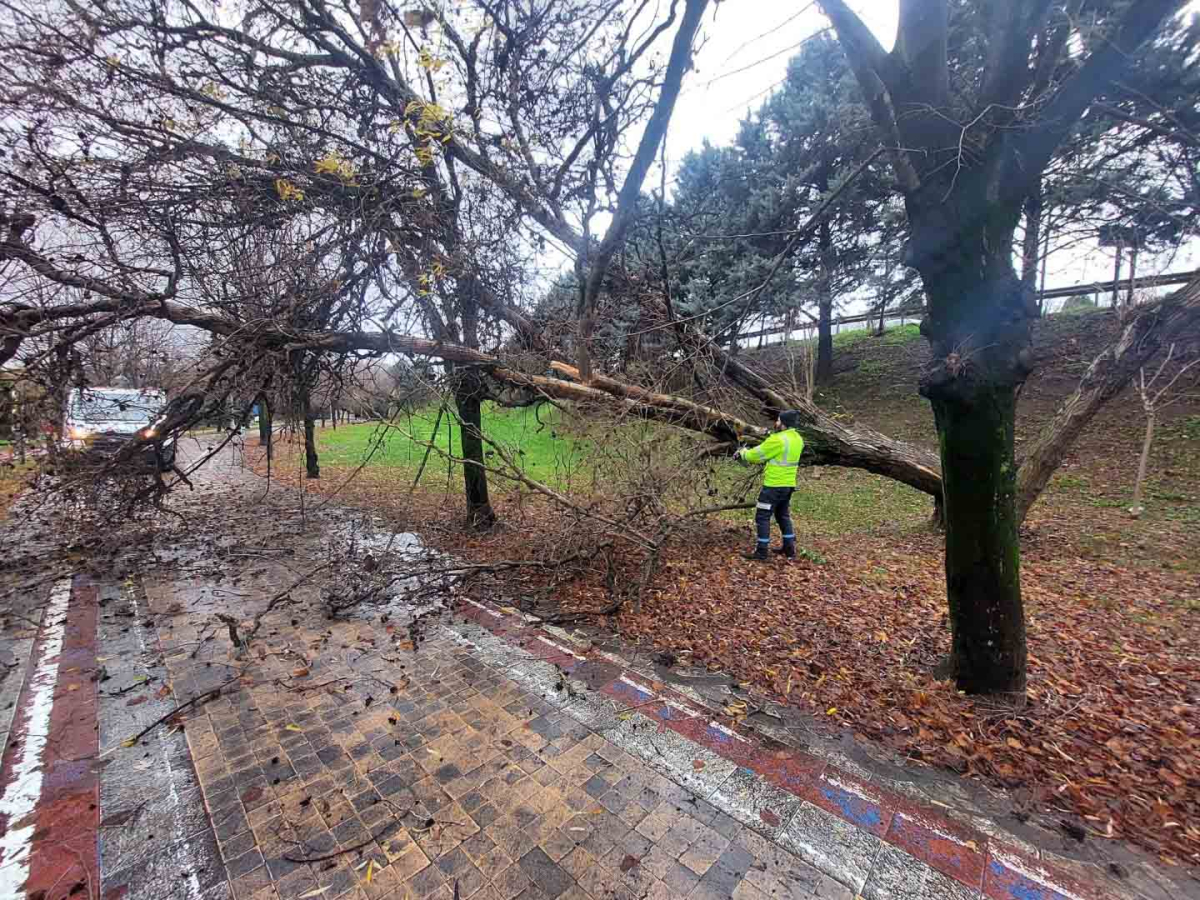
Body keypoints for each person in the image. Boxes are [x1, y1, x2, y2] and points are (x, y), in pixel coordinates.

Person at [737, 410, 804, 561]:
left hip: (773, 485)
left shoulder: (778, 440)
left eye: (779, 421)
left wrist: (743, 453)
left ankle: (761, 552)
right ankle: (789, 549)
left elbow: (756, 456)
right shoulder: (797, 439)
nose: (776, 423)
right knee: (782, 515)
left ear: (784, 424)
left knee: (762, 516)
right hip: (788, 485)